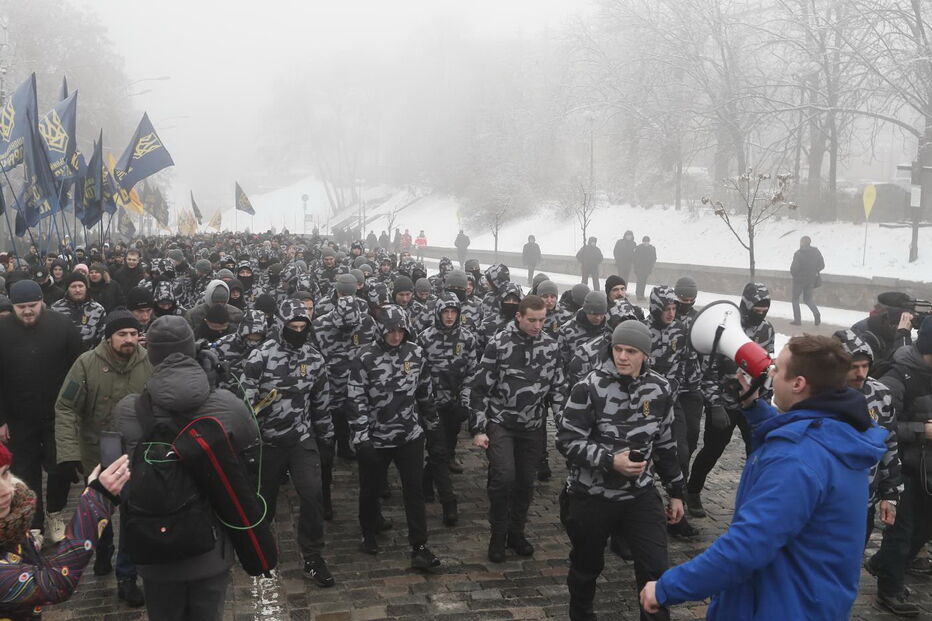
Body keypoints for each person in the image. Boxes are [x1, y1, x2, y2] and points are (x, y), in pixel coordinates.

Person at [641, 335, 888, 621]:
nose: (771, 374)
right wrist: (754, 406)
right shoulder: (839, 432)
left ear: (798, 384)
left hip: (776, 605)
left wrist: (666, 588)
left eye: (778, 370)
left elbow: (746, 546)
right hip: (814, 600)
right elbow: (805, 431)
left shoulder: (795, 460)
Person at [115, 315, 260, 621]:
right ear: (191, 350)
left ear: (151, 354)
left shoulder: (129, 410)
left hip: (153, 544)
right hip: (210, 542)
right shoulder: (225, 404)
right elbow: (250, 437)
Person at [558, 320, 685, 621]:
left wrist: (677, 493)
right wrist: (609, 460)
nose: (623, 357)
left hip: (639, 495)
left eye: (631, 351)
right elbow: (566, 440)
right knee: (586, 569)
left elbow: (666, 444)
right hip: (592, 496)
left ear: (645, 354)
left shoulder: (660, 388)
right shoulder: (588, 386)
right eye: (617, 349)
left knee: (656, 570)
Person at [54, 310, 152, 606]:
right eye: (123, 334)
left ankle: (126, 576)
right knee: (101, 513)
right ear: (109, 336)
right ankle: (103, 549)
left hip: (137, 456)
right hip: (98, 455)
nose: (129, 340)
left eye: (134, 334)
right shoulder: (86, 364)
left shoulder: (149, 362)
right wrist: (70, 454)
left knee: (133, 518)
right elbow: (66, 408)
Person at [241, 300, 335, 588]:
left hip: (301, 438)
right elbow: (244, 404)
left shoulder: (314, 359)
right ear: (281, 327)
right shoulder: (260, 357)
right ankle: (257, 551)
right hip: (267, 442)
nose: (297, 332)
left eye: (302, 327)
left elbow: (321, 402)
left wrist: (327, 436)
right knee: (263, 503)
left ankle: (313, 556)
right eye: (292, 328)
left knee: (312, 495)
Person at [470, 295, 566, 563]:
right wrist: (479, 428)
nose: (538, 326)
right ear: (519, 317)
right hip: (501, 422)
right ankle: (497, 535)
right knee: (503, 477)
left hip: (533, 425)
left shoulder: (551, 345)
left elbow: (558, 388)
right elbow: (480, 389)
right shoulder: (499, 343)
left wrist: (564, 425)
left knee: (525, 481)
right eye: (532, 320)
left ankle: (516, 532)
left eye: (542, 320)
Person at [347, 305, 442, 572]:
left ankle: (420, 546)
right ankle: (368, 529)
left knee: (414, 490)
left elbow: (424, 391)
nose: (396, 336)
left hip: (409, 435)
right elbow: (356, 399)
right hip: (376, 438)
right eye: (391, 331)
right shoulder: (364, 357)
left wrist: (432, 425)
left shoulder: (416, 353)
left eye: (401, 331)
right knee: (371, 488)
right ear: (380, 330)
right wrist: (361, 436)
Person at [0, 443, 130, 620]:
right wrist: (97, 500)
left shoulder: (11, 522)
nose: (7, 490)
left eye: (4, 473)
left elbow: (39, 568)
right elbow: (55, 582)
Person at [0, 280, 83, 544]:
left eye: (32, 306)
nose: (27, 311)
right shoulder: (1, 330)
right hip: (17, 417)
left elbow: (78, 370)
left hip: (58, 413)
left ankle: (55, 512)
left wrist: (77, 410)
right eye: (20, 307)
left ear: (41, 303)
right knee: (25, 472)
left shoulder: (62, 326)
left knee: (60, 467)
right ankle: (33, 525)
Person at [685, 283, 774, 519]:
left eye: (766, 306)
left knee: (757, 452)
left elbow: (768, 367)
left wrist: (764, 399)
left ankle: (754, 499)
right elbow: (708, 372)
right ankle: (692, 492)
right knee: (713, 450)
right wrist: (714, 405)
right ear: (746, 304)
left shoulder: (766, 330)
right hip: (725, 403)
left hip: (753, 403)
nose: (762, 310)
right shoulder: (722, 327)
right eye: (758, 306)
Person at [865, 316, 932, 616]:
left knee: (923, 530)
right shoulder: (898, 375)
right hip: (902, 467)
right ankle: (889, 590)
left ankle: (881, 563)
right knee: (901, 532)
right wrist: (922, 430)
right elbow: (881, 425)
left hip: (927, 469)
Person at [51, 272, 107, 350]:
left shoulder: (98, 309)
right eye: (73, 286)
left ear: (86, 287)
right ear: (67, 288)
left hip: (89, 357)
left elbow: (103, 338)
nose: (77, 290)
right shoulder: (56, 308)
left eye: (81, 286)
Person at [789, 235, 824, 326]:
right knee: (808, 299)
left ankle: (797, 320)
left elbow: (794, 268)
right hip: (811, 280)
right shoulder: (816, 252)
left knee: (795, 299)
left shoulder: (798, 253)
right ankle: (816, 314)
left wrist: (795, 275)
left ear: (802, 243)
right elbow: (822, 265)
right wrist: (814, 271)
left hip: (799, 281)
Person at [633, 236, 657, 301]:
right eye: (644, 241)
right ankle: (639, 295)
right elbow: (634, 258)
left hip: (647, 269)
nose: (646, 243)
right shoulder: (639, 248)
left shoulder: (652, 248)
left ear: (649, 242)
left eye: (647, 241)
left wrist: (651, 267)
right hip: (639, 268)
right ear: (642, 241)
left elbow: (654, 258)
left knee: (644, 282)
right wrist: (636, 267)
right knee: (640, 281)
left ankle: (642, 295)